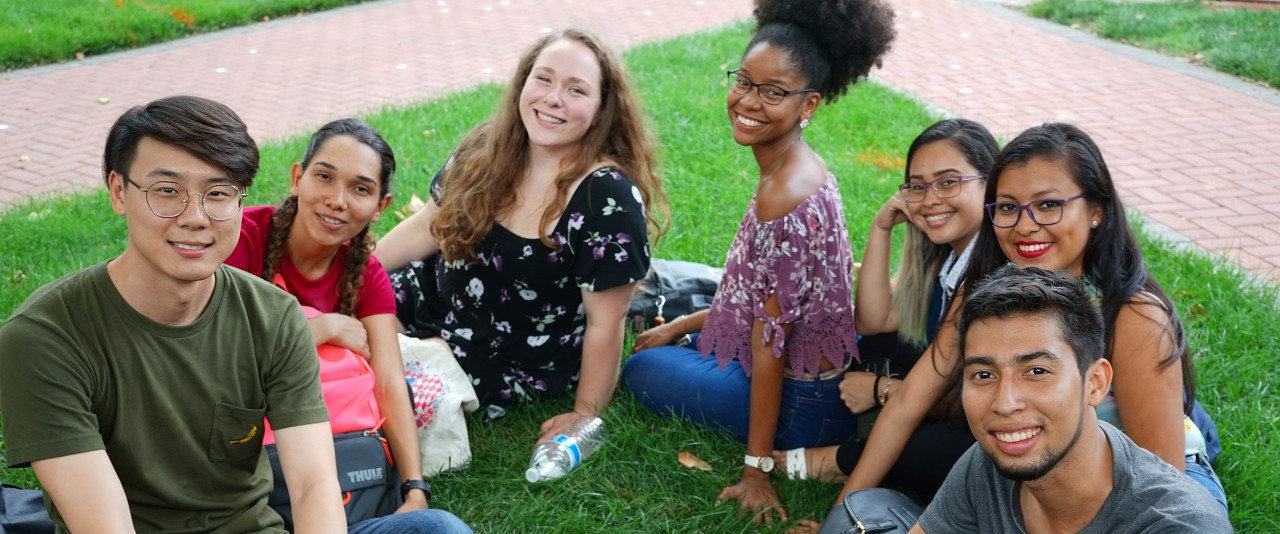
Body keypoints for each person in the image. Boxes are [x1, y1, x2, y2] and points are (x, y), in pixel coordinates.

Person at [826, 123, 1227, 518]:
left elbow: (1160, 485)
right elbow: (910, 400)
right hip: (1047, 472)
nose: (1025, 225)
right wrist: (846, 507)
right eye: (1007, 207)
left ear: (1096, 211)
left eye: (1048, 205)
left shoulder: (1134, 316)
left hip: (1145, 491)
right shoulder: (986, 291)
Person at [0, 95, 347, 532]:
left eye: (218, 193)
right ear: (118, 192)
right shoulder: (44, 338)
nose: (196, 217)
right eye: (167, 191)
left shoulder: (274, 316)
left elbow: (315, 485)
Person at [621, 0, 896, 524]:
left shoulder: (783, 198)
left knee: (641, 370)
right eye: (744, 81)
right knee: (689, 309)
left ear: (808, 104)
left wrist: (755, 472)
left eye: (774, 92)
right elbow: (756, 293)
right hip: (822, 382)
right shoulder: (803, 166)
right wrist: (682, 324)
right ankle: (688, 329)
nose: (748, 101)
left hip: (803, 407)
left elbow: (769, 348)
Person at [374, 28, 669, 446]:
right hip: (438, 299)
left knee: (388, 381)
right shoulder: (486, 146)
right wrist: (359, 271)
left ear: (603, 108)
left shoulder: (606, 198)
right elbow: (428, 225)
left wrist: (585, 415)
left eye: (576, 90)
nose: (553, 98)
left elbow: (607, 321)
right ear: (523, 83)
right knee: (346, 311)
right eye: (543, 78)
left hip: (509, 355)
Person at [225, 118, 469, 530]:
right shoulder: (242, 238)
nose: (337, 200)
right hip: (244, 477)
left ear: (381, 206)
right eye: (324, 177)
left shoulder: (367, 275)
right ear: (297, 178)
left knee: (443, 528)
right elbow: (213, 353)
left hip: (345, 481)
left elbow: (390, 383)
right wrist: (324, 329)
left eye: (360, 189)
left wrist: (414, 490)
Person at [911, 264, 1231, 533]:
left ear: (1095, 383)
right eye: (984, 375)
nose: (1004, 404)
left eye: (1036, 371)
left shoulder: (1177, 524)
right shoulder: (986, 466)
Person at [775, 119, 996, 497]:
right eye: (917, 186)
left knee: (945, 449)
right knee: (872, 346)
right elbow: (873, 320)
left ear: (991, 184)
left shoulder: (989, 273)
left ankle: (843, 460)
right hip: (941, 390)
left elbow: (978, 397)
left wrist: (883, 389)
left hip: (981, 419)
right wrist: (881, 227)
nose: (929, 199)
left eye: (948, 182)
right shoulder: (950, 254)